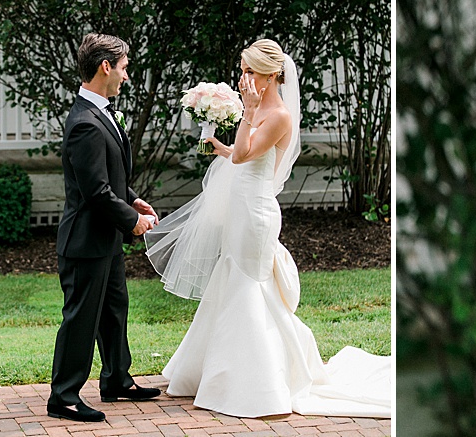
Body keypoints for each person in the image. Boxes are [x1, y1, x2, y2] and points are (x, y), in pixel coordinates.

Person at [144, 39, 390, 418]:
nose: (244, 79)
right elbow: (242, 154)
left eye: (250, 71)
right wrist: (220, 148)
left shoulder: (277, 115)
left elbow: (247, 154)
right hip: (241, 206)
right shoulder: (259, 110)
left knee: (249, 285)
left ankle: (256, 382)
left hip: (256, 212)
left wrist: (247, 116)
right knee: (232, 279)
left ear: (272, 74)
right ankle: (215, 371)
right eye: (242, 70)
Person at [48, 33, 162, 423]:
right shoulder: (85, 122)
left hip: (105, 240)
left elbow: (105, 174)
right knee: (82, 319)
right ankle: (63, 396)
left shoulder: (99, 112)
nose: (126, 76)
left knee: (115, 309)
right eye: (125, 67)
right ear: (106, 67)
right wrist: (135, 222)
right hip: (85, 241)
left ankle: (116, 379)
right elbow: (95, 192)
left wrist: (131, 198)